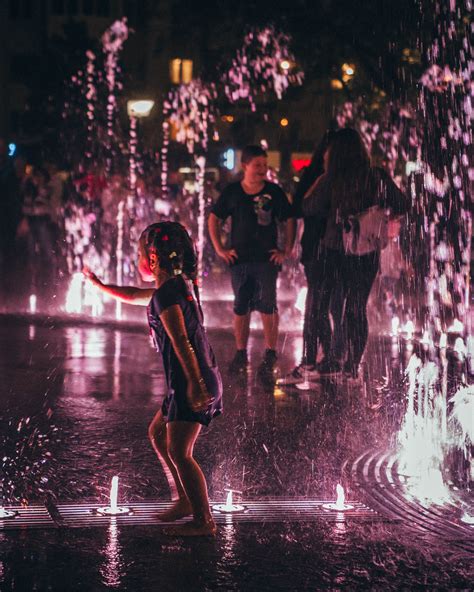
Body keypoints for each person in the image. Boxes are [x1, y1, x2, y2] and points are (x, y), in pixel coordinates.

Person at [83, 221, 223, 536]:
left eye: (140, 253)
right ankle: (185, 500)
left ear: (154, 258)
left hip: (193, 380)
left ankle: (204, 520)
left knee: (180, 452)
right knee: (158, 434)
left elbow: (181, 341)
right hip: (189, 380)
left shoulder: (167, 295)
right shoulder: (173, 288)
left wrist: (196, 385)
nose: (138, 259)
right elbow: (134, 295)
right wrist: (100, 285)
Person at [302, 128, 407, 380]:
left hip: (335, 250)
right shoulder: (376, 175)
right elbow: (403, 204)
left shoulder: (331, 179)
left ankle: (329, 356)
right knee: (356, 307)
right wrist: (384, 218)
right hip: (367, 251)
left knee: (325, 305)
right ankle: (352, 364)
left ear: (335, 153)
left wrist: (318, 182)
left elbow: (309, 207)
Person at [208, 145, 295, 381]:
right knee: (241, 304)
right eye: (257, 165)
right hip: (239, 259)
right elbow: (214, 218)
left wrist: (286, 249)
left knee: (268, 304)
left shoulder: (274, 192)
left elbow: (289, 218)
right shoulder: (233, 192)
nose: (262, 170)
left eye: (265, 166)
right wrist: (219, 248)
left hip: (266, 259)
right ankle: (240, 353)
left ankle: (270, 354)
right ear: (245, 165)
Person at [278, 131, 345, 386]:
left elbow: (299, 208)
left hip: (319, 248)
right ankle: (332, 359)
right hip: (338, 250)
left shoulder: (320, 177)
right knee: (333, 306)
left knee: (318, 305)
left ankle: (313, 361)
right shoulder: (344, 177)